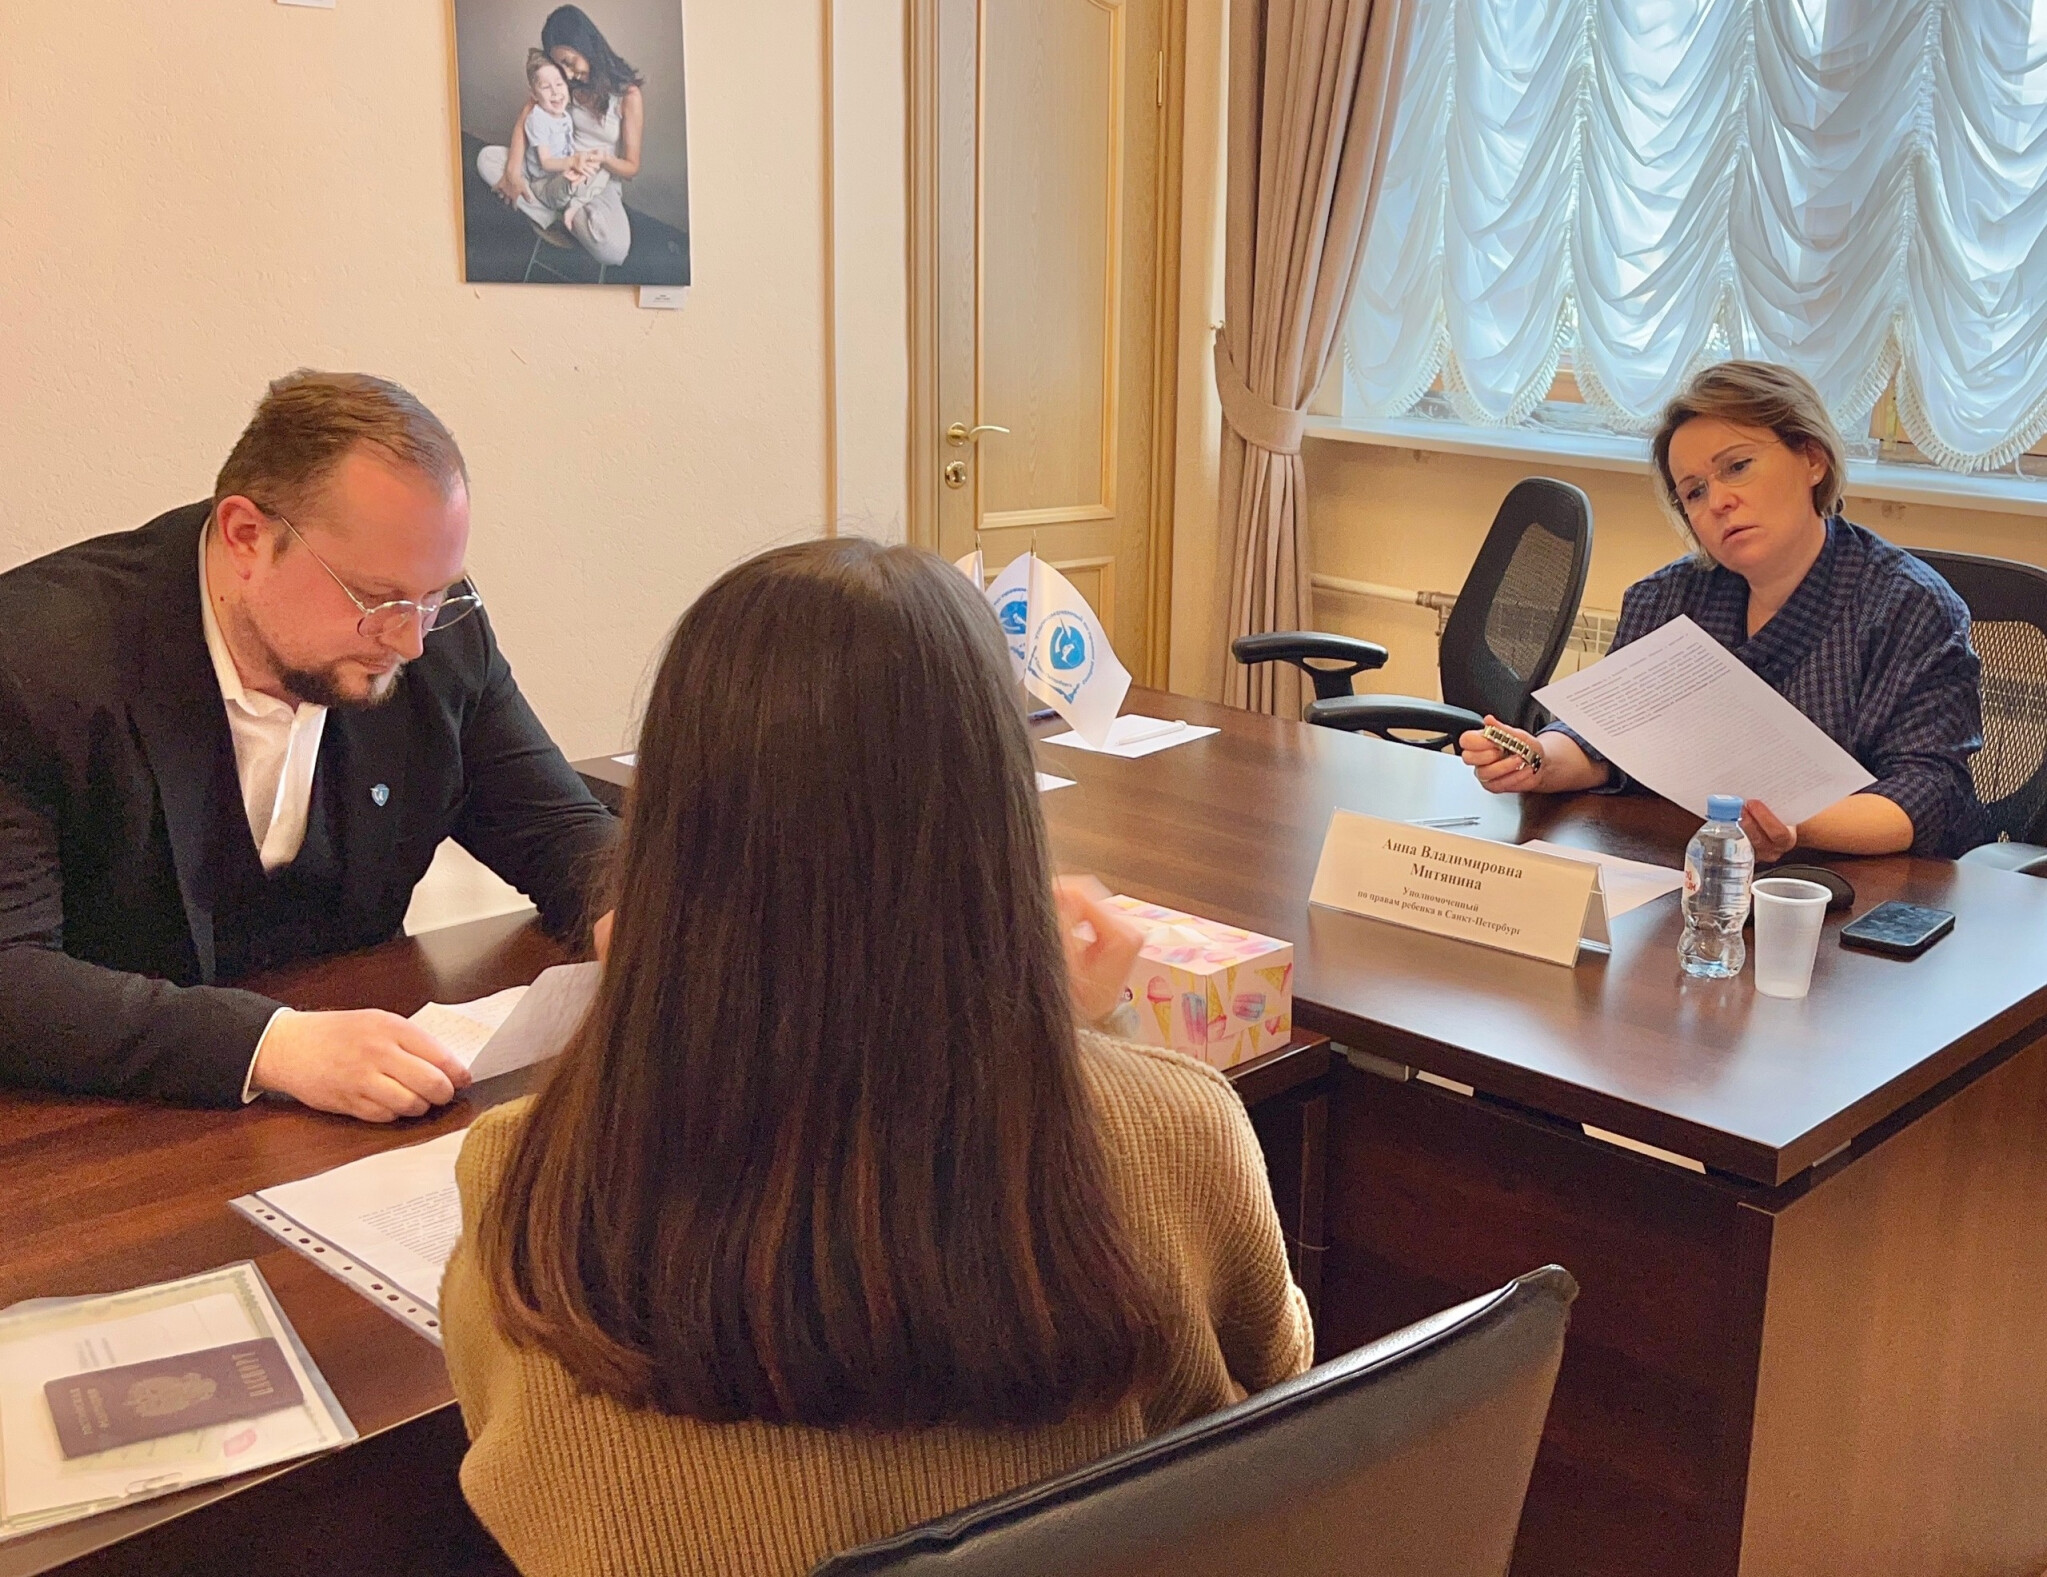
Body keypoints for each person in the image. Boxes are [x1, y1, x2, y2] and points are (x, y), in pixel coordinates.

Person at [440, 538, 1313, 1577]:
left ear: (673, 839)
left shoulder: (525, 1175)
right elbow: (1278, 1400)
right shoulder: (1177, 1130)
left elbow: (512, 1472)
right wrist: (1082, 1040)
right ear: (998, 822)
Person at [0, 371, 618, 1116]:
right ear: (247, 537)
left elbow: (558, 828)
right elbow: (12, 974)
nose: (411, 642)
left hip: (358, 1113)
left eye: (436, 596)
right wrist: (274, 1046)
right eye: (376, 598)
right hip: (96, 1123)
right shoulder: (32, 664)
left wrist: (639, 914)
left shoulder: (433, 640)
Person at [1460, 361, 1985, 860]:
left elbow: (1927, 793)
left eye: (1737, 467)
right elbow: (1607, 739)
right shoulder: (1668, 599)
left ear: (1812, 458)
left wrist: (1793, 826)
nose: (1718, 503)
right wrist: (1539, 760)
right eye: (1694, 492)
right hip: (1693, 866)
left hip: (1860, 883)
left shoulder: (1910, 606)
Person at [479, 5, 645, 269]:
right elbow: (525, 119)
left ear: (585, 45)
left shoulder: (628, 95)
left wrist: (602, 159)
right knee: (486, 160)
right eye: (560, 66)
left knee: (614, 250)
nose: (566, 74)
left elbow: (631, 168)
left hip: (595, 180)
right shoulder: (566, 82)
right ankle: (557, 214)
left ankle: (554, 211)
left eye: (569, 61)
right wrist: (512, 172)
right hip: (554, 166)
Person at [518, 51, 608, 234]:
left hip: (562, 171)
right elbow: (546, 162)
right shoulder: (537, 119)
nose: (555, 92)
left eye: (559, 84)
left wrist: (583, 161)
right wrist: (572, 163)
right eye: (545, 87)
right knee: (568, 182)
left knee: (604, 167)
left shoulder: (565, 115)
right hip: (544, 183)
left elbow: (567, 148)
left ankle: (574, 205)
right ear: (534, 94)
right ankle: (564, 204)